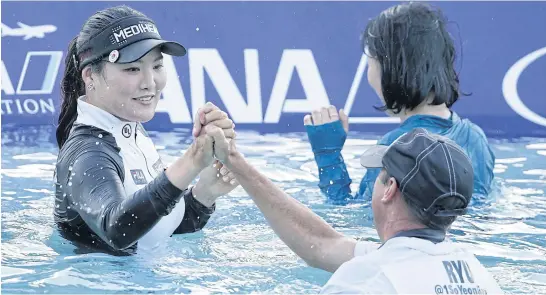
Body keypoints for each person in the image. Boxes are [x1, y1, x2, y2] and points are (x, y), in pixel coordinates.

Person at [209, 126, 504, 294]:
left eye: (379, 176)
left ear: (389, 189)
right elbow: (324, 245)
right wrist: (235, 161)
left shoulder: (366, 280)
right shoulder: (478, 273)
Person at [53, 5, 238, 255]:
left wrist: (205, 193)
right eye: (132, 69)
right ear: (90, 76)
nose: (150, 83)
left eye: (157, 67)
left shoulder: (130, 133)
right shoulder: (88, 152)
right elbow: (117, 230)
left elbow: (154, 233)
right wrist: (193, 161)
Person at [303, 2, 495, 204]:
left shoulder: (394, 149)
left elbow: (347, 216)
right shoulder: (475, 138)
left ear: (390, 70)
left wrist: (328, 155)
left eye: (371, 63)